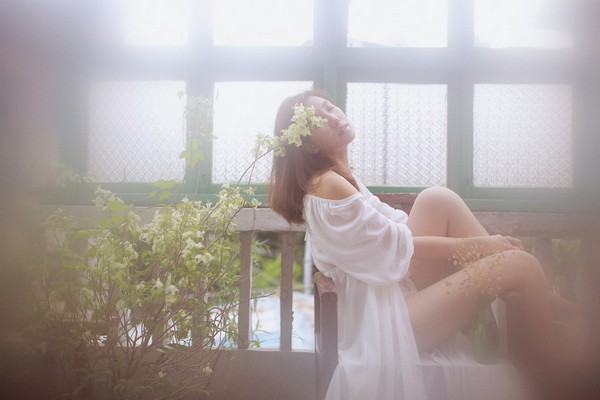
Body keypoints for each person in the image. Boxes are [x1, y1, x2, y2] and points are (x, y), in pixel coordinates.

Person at [268, 89, 592, 400]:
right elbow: (398, 245)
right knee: (521, 265)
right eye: (322, 119)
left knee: (437, 199)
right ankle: (554, 375)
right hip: (383, 324)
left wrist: (485, 246)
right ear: (310, 145)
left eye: (330, 107)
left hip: (388, 300)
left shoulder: (338, 178)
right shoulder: (330, 185)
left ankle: (553, 310)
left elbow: (396, 232)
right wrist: (484, 246)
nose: (335, 117)